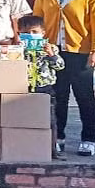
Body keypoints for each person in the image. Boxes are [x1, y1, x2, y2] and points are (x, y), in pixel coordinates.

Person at [33, 0, 95, 157]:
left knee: (85, 96)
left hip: (81, 53)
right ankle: (59, 137)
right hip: (52, 52)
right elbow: (37, 21)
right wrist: (37, 46)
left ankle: (88, 138)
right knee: (58, 96)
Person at [17, 15, 65, 160]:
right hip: (23, 90)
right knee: (25, 119)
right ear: (19, 33)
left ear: (43, 33)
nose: (31, 36)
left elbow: (60, 66)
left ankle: (52, 149)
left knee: (49, 120)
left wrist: (51, 55)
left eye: (34, 32)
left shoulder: (51, 49)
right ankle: (26, 147)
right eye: (26, 33)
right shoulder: (18, 50)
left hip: (45, 89)